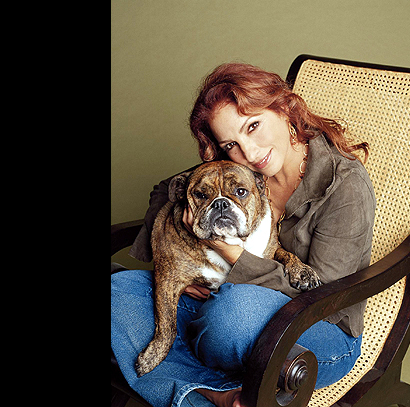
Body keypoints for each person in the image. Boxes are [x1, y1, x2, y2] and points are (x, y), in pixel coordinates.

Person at [111, 62, 376, 407]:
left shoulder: (344, 185)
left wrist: (232, 256)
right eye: (231, 144)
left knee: (232, 315)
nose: (249, 152)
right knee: (118, 292)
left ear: (285, 109)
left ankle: (190, 381)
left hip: (317, 330)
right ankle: (219, 395)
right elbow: (167, 189)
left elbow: (325, 298)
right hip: (216, 302)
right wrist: (172, 267)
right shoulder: (238, 167)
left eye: (253, 126)